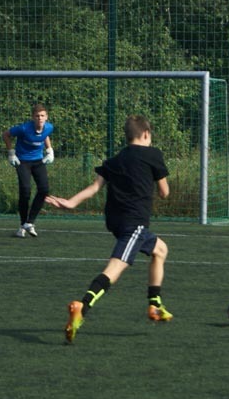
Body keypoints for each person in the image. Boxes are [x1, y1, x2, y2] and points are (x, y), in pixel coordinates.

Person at [45, 114, 172, 343]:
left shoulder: (115, 160)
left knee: (160, 250)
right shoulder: (153, 155)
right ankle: (82, 307)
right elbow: (164, 192)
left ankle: (155, 304)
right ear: (146, 134)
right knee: (114, 269)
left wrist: (71, 202)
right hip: (134, 223)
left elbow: (95, 187)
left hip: (116, 222)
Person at [2, 103, 55, 238]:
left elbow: (45, 135)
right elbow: (6, 134)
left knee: (44, 189)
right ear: (32, 117)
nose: (40, 118)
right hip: (23, 162)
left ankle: (29, 222)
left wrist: (49, 150)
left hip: (38, 161)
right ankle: (22, 225)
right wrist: (11, 153)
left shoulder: (49, 127)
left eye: (42, 116)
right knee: (25, 190)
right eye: (37, 116)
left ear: (46, 117)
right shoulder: (24, 128)